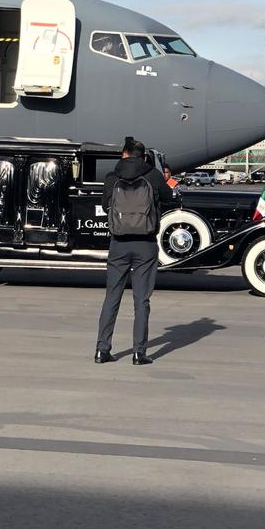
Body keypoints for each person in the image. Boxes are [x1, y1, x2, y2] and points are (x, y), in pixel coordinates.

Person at [95, 139, 174, 365]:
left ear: (124, 154)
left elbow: (105, 205)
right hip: (145, 244)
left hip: (118, 243)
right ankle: (139, 353)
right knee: (141, 300)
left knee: (112, 296)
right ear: (143, 156)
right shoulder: (153, 176)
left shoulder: (112, 177)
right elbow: (168, 197)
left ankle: (102, 350)